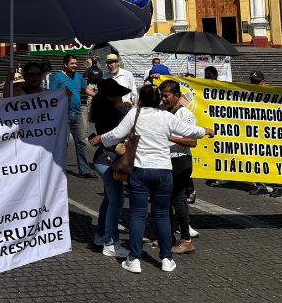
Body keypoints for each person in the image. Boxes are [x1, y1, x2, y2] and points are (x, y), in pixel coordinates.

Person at [90, 84, 214, 274]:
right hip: (163, 171)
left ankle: (134, 259)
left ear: (141, 99)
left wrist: (100, 138)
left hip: (140, 171)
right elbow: (190, 131)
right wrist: (206, 130)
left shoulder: (135, 114)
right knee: (162, 215)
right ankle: (166, 259)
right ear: (158, 100)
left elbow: (115, 135)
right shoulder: (166, 116)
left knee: (138, 215)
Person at [88, 78, 132, 257]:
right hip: (109, 160)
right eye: (118, 95)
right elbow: (117, 134)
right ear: (109, 97)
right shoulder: (112, 112)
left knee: (109, 200)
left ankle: (101, 235)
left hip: (103, 159)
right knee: (116, 201)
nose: (121, 98)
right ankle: (110, 243)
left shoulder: (104, 109)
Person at [159, 80, 199, 254]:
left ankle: (186, 240)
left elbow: (193, 141)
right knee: (164, 199)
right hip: (164, 160)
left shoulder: (185, 114)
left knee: (177, 199)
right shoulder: (161, 112)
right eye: (161, 96)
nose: (163, 99)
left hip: (180, 160)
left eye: (166, 96)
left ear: (176, 96)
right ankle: (168, 237)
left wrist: (170, 138)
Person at [49, 54, 97, 177]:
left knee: (81, 142)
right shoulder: (57, 77)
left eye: (76, 63)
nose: (75, 65)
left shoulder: (79, 77)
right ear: (65, 64)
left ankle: (84, 170)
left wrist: (99, 96)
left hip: (77, 114)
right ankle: (59, 169)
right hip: (62, 115)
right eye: (72, 63)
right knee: (62, 144)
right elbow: (51, 96)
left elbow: (85, 89)